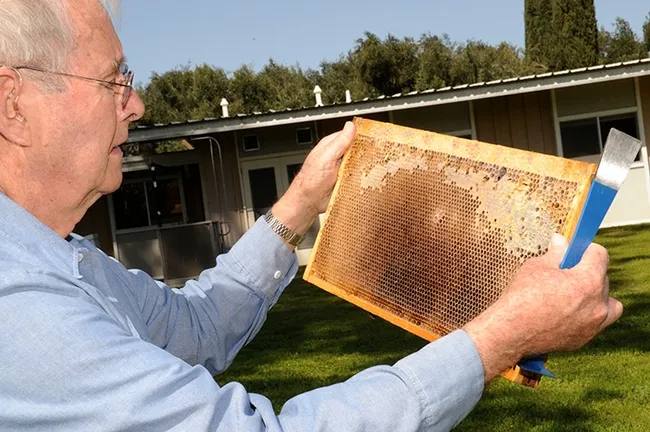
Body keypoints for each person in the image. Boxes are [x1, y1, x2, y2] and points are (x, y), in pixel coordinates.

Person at [0, 1, 622, 431]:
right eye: (113, 80)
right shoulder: (17, 299)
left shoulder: (62, 260)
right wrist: (498, 338)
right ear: (12, 104)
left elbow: (194, 328)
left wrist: (298, 205)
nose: (135, 104)